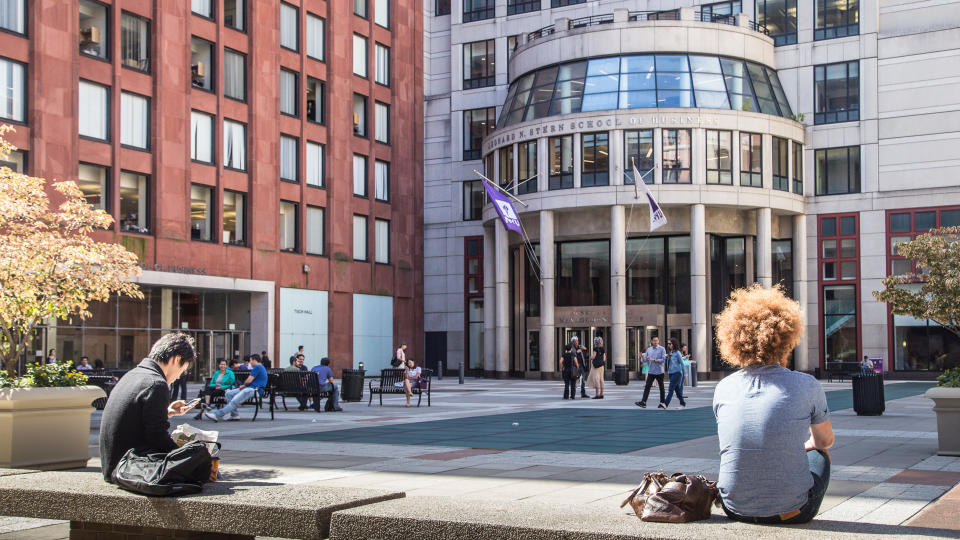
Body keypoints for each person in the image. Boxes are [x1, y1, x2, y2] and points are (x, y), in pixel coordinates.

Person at [713, 285, 833, 525]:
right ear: (788, 338)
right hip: (794, 512)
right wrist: (808, 445)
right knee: (820, 455)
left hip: (733, 508)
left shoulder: (724, 387)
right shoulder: (806, 384)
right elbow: (825, 441)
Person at [99, 333, 200, 482]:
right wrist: (186, 458)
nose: (179, 377)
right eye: (182, 370)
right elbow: (157, 437)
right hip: (131, 469)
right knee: (199, 454)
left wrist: (167, 412)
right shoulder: (156, 383)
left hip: (113, 465)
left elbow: (135, 419)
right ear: (176, 359)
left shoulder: (132, 375)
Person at [204, 354, 268, 422]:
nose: (250, 363)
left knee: (234, 401)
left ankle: (216, 414)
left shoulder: (257, 367)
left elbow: (249, 380)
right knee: (229, 394)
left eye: (250, 361)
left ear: (254, 360)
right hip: (250, 388)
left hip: (253, 390)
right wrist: (244, 385)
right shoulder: (260, 367)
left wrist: (243, 385)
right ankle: (235, 415)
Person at [636, 336, 666, 408]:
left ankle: (662, 402)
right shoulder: (649, 350)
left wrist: (655, 360)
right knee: (647, 387)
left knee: (661, 387)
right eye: (654, 341)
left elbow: (663, 359)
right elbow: (645, 360)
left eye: (656, 340)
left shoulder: (662, 349)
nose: (655, 342)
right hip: (651, 371)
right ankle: (643, 402)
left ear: (658, 341)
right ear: (652, 341)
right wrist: (642, 357)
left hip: (659, 371)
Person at [663, 338, 687, 409]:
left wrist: (685, 374)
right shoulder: (671, 353)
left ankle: (665, 404)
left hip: (677, 373)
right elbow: (669, 363)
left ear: (674, 344)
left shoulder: (677, 353)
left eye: (670, 344)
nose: (668, 345)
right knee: (677, 391)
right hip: (671, 373)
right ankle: (683, 403)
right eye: (668, 344)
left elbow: (682, 364)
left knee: (671, 389)